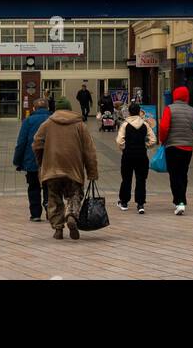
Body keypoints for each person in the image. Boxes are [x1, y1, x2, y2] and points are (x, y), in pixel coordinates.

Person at [33, 96, 99, 241]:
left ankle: (58, 228)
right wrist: (92, 172)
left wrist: (42, 161)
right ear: (70, 109)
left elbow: (36, 143)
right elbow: (89, 151)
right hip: (73, 169)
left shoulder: (47, 124)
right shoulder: (80, 125)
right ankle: (71, 216)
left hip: (52, 169)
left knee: (54, 198)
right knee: (74, 194)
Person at [158, 85, 193, 215]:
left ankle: (179, 201)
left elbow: (163, 127)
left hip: (172, 147)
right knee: (183, 174)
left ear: (175, 96)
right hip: (187, 148)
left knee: (174, 174)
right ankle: (181, 200)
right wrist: (190, 138)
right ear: (187, 97)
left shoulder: (169, 109)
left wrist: (163, 140)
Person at [13, 98, 52, 221]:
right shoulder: (53, 120)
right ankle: (50, 210)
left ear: (34, 108)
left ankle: (35, 214)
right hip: (51, 160)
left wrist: (17, 161)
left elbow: (21, 142)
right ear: (47, 108)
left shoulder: (28, 121)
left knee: (33, 186)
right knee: (50, 187)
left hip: (32, 160)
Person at [115, 100, 156, 214]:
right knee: (141, 179)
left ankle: (124, 202)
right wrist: (146, 146)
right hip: (142, 155)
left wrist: (124, 147)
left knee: (126, 178)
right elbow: (153, 140)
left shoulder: (125, 124)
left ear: (129, 112)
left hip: (128, 155)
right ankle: (140, 204)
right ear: (139, 112)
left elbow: (119, 141)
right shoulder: (145, 124)